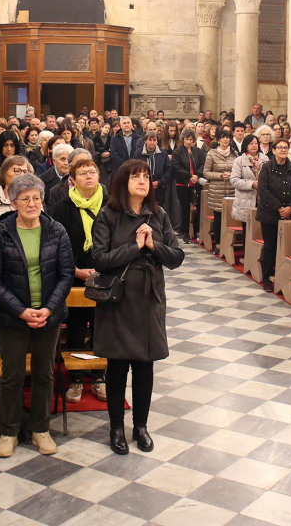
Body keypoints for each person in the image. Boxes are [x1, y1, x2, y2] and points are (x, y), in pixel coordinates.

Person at [90, 159, 184, 454]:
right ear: (123, 181)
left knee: (145, 366)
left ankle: (141, 426)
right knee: (117, 367)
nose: (142, 181)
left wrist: (153, 245)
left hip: (148, 300)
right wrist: (136, 247)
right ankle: (116, 427)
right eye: (135, 176)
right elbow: (100, 259)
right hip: (118, 301)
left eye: (145, 176)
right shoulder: (108, 215)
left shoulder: (158, 214)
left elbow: (176, 257)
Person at [0, 173, 73, 458]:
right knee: (11, 375)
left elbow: (66, 274)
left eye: (36, 198)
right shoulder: (1, 232)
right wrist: (21, 311)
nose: (32, 204)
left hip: (48, 315)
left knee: (44, 374)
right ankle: (9, 431)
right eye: (25, 199)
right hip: (12, 318)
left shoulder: (56, 230)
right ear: (13, 202)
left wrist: (48, 309)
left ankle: (40, 429)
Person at [51, 156, 107, 402]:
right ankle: (74, 379)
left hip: (104, 276)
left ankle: (98, 376)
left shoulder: (110, 204)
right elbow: (55, 245)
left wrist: (104, 269)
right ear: (72, 180)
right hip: (72, 276)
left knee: (100, 329)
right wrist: (74, 271)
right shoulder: (61, 208)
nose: (89, 176)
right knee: (75, 328)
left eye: (92, 171)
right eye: (83, 173)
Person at [256, 138, 291, 291]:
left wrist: (290, 207)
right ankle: (267, 277)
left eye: (285, 147)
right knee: (270, 246)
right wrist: (279, 208)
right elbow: (263, 190)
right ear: (273, 150)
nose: (283, 150)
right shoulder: (266, 168)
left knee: (289, 247)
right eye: (280, 147)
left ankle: (286, 275)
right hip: (270, 213)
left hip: (290, 213)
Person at [171, 128, 206, 238]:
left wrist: (197, 175)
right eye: (187, 139)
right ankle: (185, 231)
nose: (189, 141)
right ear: (183, 140)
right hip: (183, 183)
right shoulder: (177, 152)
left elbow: (203, 164)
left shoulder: (198, 151)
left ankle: (197, 230)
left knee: (199, 207)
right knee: (184, 208)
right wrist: (189, 176)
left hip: (196, 182)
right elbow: (176, 167)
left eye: (191, 139)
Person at [203, 128, 235, 238]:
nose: (225, 140)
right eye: (223, 137)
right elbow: (206, 173)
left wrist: (232, 174)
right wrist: (220, 175)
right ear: (218, 140)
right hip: (217, 191)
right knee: (219, 217)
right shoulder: (212, 154)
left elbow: (238, 170)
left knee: (230, 218)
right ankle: (218, 242)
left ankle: (228, 240)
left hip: (231, 189)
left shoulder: (234, 154)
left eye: (227, 137)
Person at [230, 134, 268, 223]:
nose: (254, 145)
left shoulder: (265, 159)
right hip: (245, 200)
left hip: (262, 198)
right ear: (245, 145)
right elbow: (234, 180)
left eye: (256, 143)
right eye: (251, 143)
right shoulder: (239, 161)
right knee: (247, 227)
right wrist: (252, 184)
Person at [140, 130, 170, 205]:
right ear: (145, 141)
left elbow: (168, 170)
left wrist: (159, 182)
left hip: (159, 188)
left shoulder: (163, 153)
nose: (152, 142)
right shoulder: (138, 153)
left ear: (157, 141)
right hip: (143, 187)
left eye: (154, 140)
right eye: (150, 140)